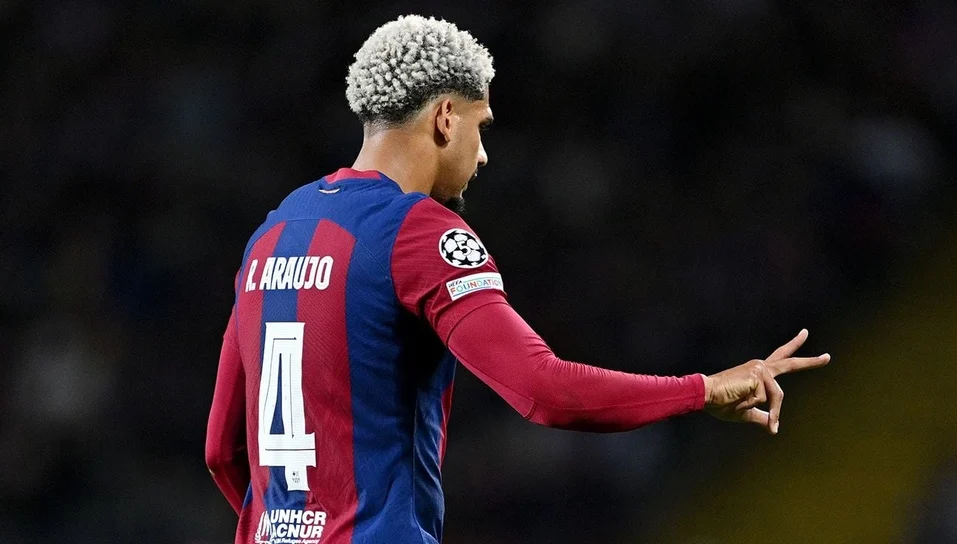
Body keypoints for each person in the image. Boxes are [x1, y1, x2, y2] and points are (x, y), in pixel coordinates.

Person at [205, 14, 830, 544]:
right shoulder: (418, 231)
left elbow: (221, 450)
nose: (482, 154)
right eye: (481, 126)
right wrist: (701, 390)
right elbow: (543, 390)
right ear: (445, 118)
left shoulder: (272, 233)